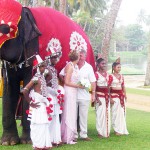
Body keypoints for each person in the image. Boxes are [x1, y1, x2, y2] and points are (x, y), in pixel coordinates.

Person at [22, 55, 52, 150]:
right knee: (37, 125)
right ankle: (38, 145)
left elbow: (50, 76)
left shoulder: (42, 77)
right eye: (42, 66)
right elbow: (24, 90)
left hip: (43, 104)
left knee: (43, 124)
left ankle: (43, 145)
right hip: (37, 105)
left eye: (45, 66)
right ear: (38, 67)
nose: (45, 67)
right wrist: (30, 102)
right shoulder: (35, 78)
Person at [61, 50, 83, 144]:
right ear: (77, 58)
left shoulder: (75, 66)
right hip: (69, 91)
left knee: (72, 112)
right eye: (79, 56)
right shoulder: (70, 67)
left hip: (74, 92)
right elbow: (66, 82)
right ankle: (67, 137)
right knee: (69, 112)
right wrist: (78, 85)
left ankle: (71, 135)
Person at [44, 39, 64, 147]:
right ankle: (49, 139)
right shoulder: (46, 69)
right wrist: (53, 92)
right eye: (53, 57)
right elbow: (44, 85)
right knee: (50, 118)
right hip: (50, 96)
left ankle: (55, 139)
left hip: (55, 96)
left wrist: (58, 92)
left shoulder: (54, 69)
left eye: (56, 57)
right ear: (49, 58)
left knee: (56, 117)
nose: (56, 59)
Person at [75, 49, 96, 141]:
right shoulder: (72, 65)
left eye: (81, 56)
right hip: (73, 95)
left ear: (85, 56)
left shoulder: (89, 67)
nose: (79, 57)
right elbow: (62, 74)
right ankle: (73, 135)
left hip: (85, 95)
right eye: (78, 55)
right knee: (73, 116)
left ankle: (84, 134)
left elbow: (93, 81)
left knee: (83, 115)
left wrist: (93, 94)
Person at [109, 58, 129, 136]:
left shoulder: (121, 76)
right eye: (118, 67)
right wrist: (110, 98)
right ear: (113, 68)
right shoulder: (110, 76)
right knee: (115, 113)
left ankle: (121, 129)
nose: (119, 69)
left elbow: (123, 86)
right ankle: (116, 129)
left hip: (121, 97)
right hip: (114, 96)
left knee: (122, 113)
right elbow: (108, 88)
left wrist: (125, 95)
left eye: (120, 67)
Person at [95, 58, 110, 138]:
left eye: (105, 63)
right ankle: (100, 132)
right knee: (100, 114)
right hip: (99, 96)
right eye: (102, 63)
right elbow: (93, 88)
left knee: (107, 114)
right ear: (98, 65)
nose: (104, 65)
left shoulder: (108, 75)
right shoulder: (96, 74)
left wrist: (110, 97)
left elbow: (108, 87)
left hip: (106, 97)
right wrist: (96, 98)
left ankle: (106, 131)